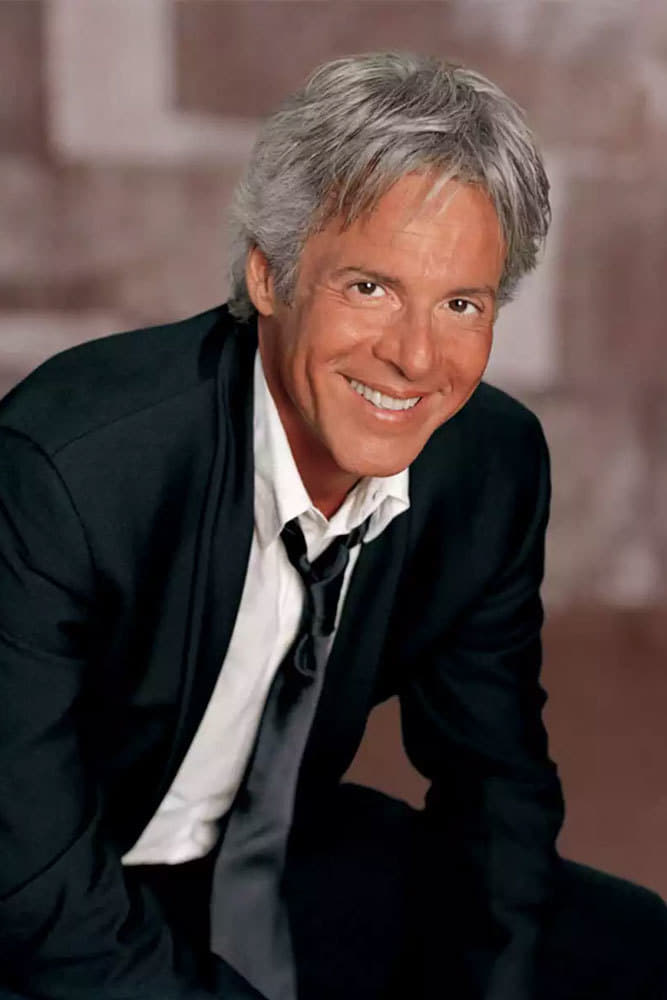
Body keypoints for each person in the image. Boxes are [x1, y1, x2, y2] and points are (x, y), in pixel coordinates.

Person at [0, 52, 664, 1000]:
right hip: (53, 877)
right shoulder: (70, 469)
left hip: (263, 857)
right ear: (268, 276)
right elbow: (36, 888)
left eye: (460, 304)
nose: (415, 358)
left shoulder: (487, 463)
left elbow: (493, 793)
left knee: (631, 950)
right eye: (370, 288)